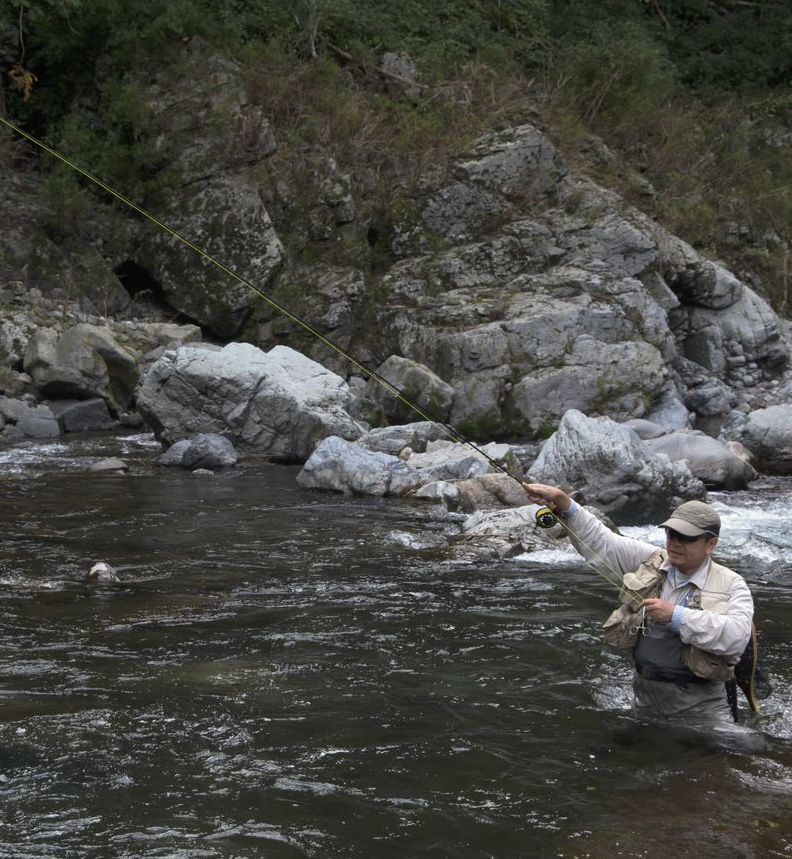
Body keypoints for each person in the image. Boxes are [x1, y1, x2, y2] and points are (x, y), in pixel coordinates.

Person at [525, 483, 754, 729]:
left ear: (711, 544)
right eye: (671, 534)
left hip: (704, 708)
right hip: (645, 700)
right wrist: (563, 503)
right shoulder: (650, 561)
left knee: (737, 753)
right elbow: (602, 542)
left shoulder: (732, 584)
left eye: (687, 537)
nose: (675, 543)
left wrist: (676, 616)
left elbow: (736, 636)